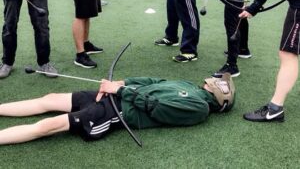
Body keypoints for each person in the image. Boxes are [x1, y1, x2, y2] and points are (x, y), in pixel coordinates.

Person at [0, 73, 235, 145]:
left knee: (50, 124)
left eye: (221, 83)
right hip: (114, 95)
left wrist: (120, 91)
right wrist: (120, 84)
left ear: (220, 94)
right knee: (50, 98)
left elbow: (156, 107)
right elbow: (152, 83)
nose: (215, 79)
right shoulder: (187, 84)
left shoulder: (200, 108)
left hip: (118, 112)